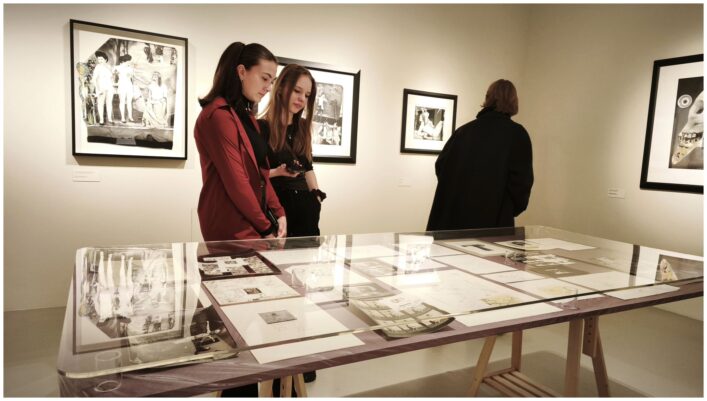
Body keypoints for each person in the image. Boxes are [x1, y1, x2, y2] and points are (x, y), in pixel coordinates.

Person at [194, 42, 286, 397]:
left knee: (252, 315)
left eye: (272, 80)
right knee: (236, 319)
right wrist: (267, 226)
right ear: (241, 71)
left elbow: (261, 175)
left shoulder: (244, 116)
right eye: (264, 78)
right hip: (231, 228)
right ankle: (237, 391)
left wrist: (279, 212)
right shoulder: (216, 116)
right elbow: (236, 183)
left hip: (252, 226)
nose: (268, 87)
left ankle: (247, 388)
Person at [426, 79, 533, 231]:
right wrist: (508, 208)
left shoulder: (463, 132)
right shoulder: (517, 134)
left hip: (453, 221)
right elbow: (521, 183)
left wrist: (457, 191)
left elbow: (441, 166)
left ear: (488, 98)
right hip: (492, 224)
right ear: (514, 101)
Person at [262, 65, 326, 239]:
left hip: (306, 209)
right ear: (281, 88)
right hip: (277, 209)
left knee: (308, 256)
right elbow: (253, 175)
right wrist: (277, 172)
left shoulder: (303, 127)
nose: (301, 99)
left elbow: (308, 167)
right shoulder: (262, 127)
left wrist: (316, 197)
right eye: (297, 91)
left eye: (307, 95)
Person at [91, 51, 114, 125]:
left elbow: (111, 78)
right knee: (100, 103)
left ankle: (110, 119)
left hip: (109, 87)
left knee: (109, 103)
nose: (99, 61)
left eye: (101, 59)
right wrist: (97, 89)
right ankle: (101, 120)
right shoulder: (98, 67)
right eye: (98, 59)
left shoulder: (109, 67)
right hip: (101, 87)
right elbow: (94, 79)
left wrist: (112, 84)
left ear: (105, 59)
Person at [114, 54, 135, 123]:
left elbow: (132, 77)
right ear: (125, 61)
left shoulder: (130, 68)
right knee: (122, 101)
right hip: (122, 85)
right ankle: (123, 117)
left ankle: (130, 116)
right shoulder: (118, 67)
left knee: (129, 101)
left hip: (129, 85)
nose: (130, 62)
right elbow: (113, 74)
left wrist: (131, 75)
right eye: (129, 61)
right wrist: (116, 73)